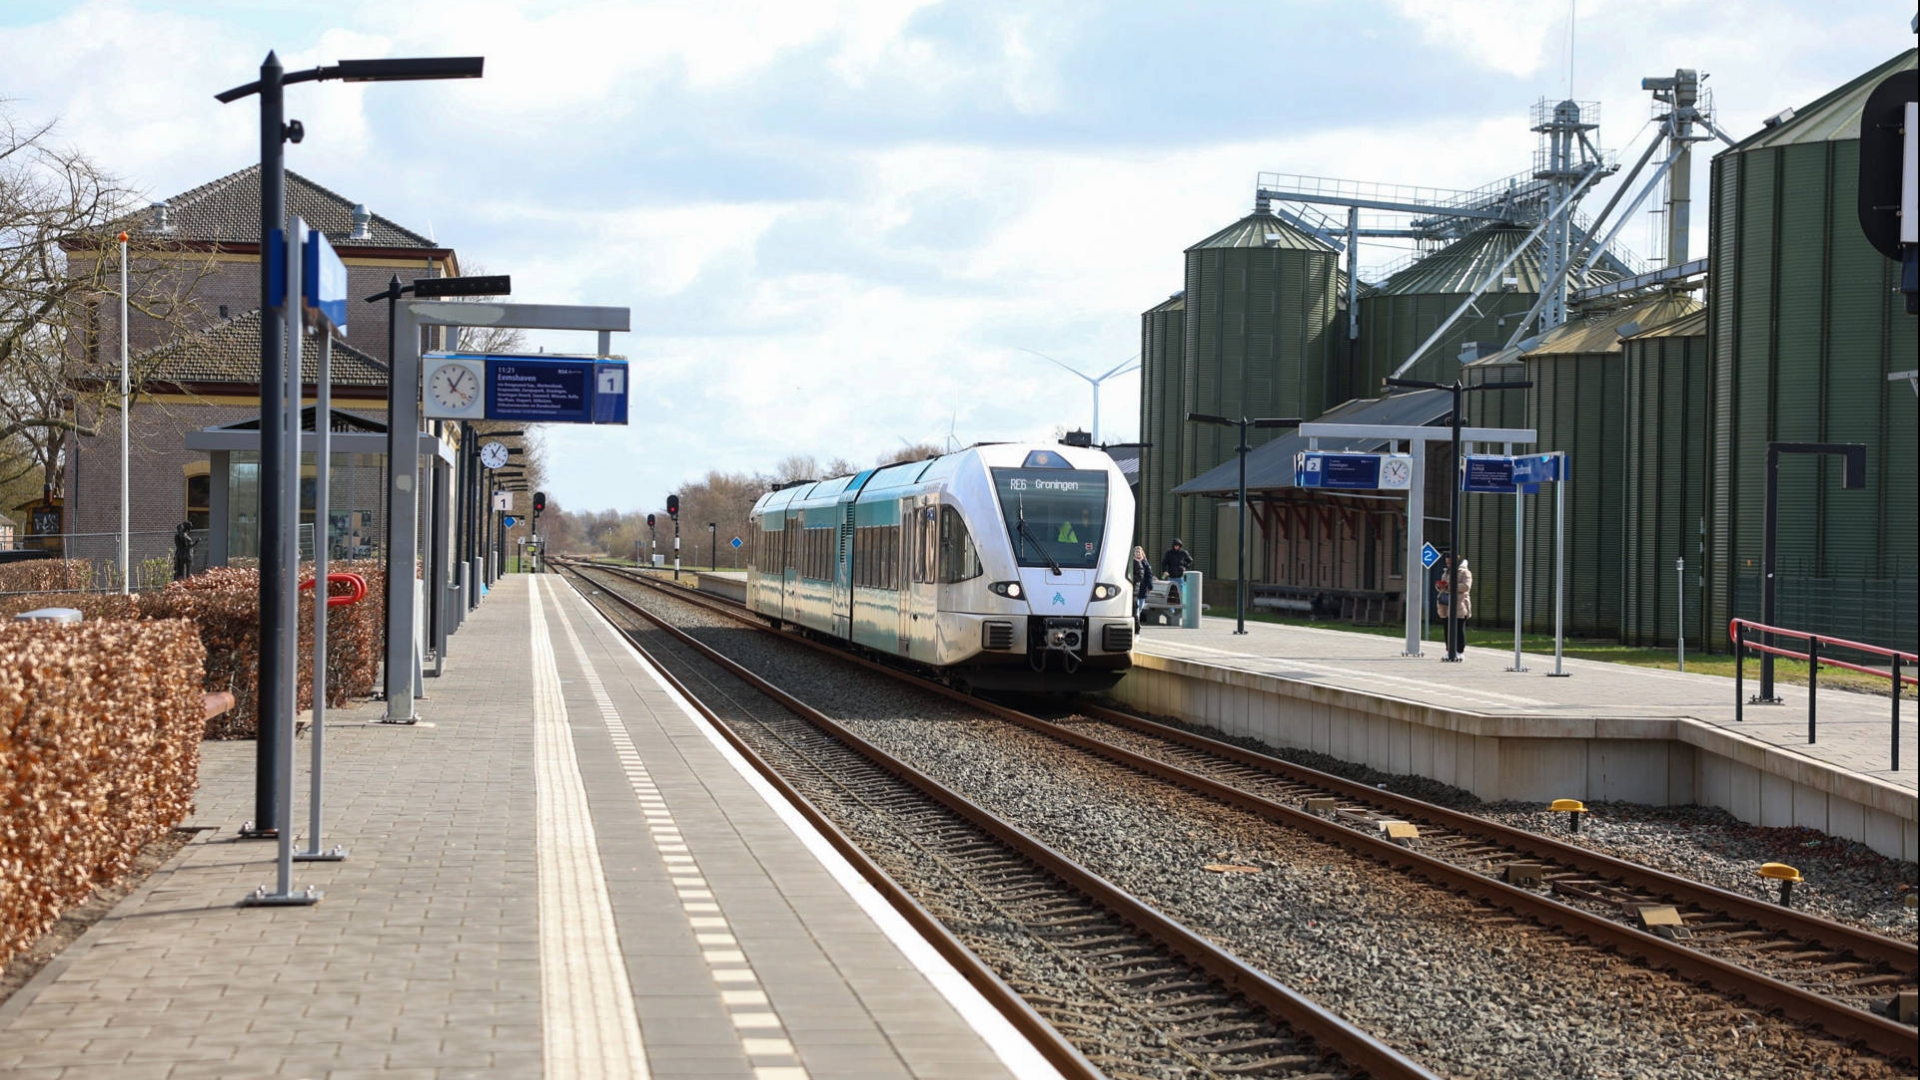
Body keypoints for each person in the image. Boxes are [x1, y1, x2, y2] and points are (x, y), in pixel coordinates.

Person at [1436, 554, 1472, 657]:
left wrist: (1449, 586)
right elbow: (1444, 586)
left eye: (1450, 563)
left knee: (1459, 629)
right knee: (1447, 628)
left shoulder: (1465, 572)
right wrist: (1440, 586)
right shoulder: (1446, 572)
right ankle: (1449, 650)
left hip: (1460, 604)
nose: (1448, 565)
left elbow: (1466, 586)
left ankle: (1459, 652)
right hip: (1446, 605)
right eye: (1447, 563)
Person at [1128, 545, 1155, 631]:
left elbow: (1149, 576)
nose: (1137, 554)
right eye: (1136, 552)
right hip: (1135, 590)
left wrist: (1150, 586)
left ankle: (1137, 622)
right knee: (1136, 607)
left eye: (1139, 552)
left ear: (1142, 553)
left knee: (1140, 606)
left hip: (1142, 588)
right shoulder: (1132, 563)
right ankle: (1137, 623)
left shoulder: (1145, 563)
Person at [1161, 539, 1193, 607]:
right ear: (1173, 546)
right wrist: (1165, 571)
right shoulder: (1169, 553)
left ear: (1180, 546)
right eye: (1175, 545)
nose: (1176, 547)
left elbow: (1190, 561)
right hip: (1171, 576)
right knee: (1170, 593)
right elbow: (1164, 563)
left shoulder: (1183, 552)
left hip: (1180, 576)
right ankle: (1171, 608)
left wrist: (1185, 566)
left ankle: (1180, 606)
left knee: (1180, 592)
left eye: (1178, 546)